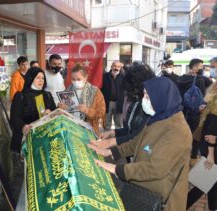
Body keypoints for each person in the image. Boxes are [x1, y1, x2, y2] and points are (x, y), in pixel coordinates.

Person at [89, 77, 192, 211]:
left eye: (149, 97)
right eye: (144, 94)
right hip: (144, 188)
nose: (144, 100)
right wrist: (111, 151)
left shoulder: (177, 131)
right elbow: (138, 142)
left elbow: (154, 169)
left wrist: (116, 169)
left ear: (162, 98)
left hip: (161, 197)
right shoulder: (158, 116)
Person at [97, 62, 155, 149]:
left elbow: (138, 138)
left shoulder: (150, 107)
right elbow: (130, 130)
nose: (129, 94)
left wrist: (111, 143)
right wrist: (112, 133)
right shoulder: (137, 103)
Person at [10, 67, 56, 152]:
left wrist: (50, 112)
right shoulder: (20, 96)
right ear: (30, 78)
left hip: (44, 141)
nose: (41, 80)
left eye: (43, 78)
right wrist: (23, 126)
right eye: (37, 78)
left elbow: (54, 113)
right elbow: (14, 118)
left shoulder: (47, 95)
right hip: (26, 141)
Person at [187, 82, 217, 211]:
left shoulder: (212, 104)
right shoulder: (214, 107)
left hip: (208, 148)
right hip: (212, 150)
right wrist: (210, 154)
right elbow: (211, 132)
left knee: (211, 181)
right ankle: (181, 205)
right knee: (206, 181)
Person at [178, 58, 212, 163]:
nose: (202, 68)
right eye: (201, 66)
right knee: (195, 134)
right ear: (195, 67)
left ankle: (180, 155)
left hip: (182, 111)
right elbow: (203, 95)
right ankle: (192, 156)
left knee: (182, 134)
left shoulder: (181, 78)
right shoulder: (200, 80)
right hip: (195, 112)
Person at [59, 65, 106, 135]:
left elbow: (101, 113)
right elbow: (65, 111)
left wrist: (87, 110)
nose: (75, 82)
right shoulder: (68, 90)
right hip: (71, 129)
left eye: (78, 79)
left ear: (85, 78)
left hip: (89, 131)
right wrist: (61, 108)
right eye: (73, 79)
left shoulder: (95, 91)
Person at [101, 61, 124, 130]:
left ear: (120, 68)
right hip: (107, 102)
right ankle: (106, 136)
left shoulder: (124, 77)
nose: (116, 68)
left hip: (119, 103)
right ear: (111, 66)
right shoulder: (105, 76)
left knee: (118, 123)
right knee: (106, 122)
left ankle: (117, 138)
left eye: (118, 66)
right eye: (114, 66)